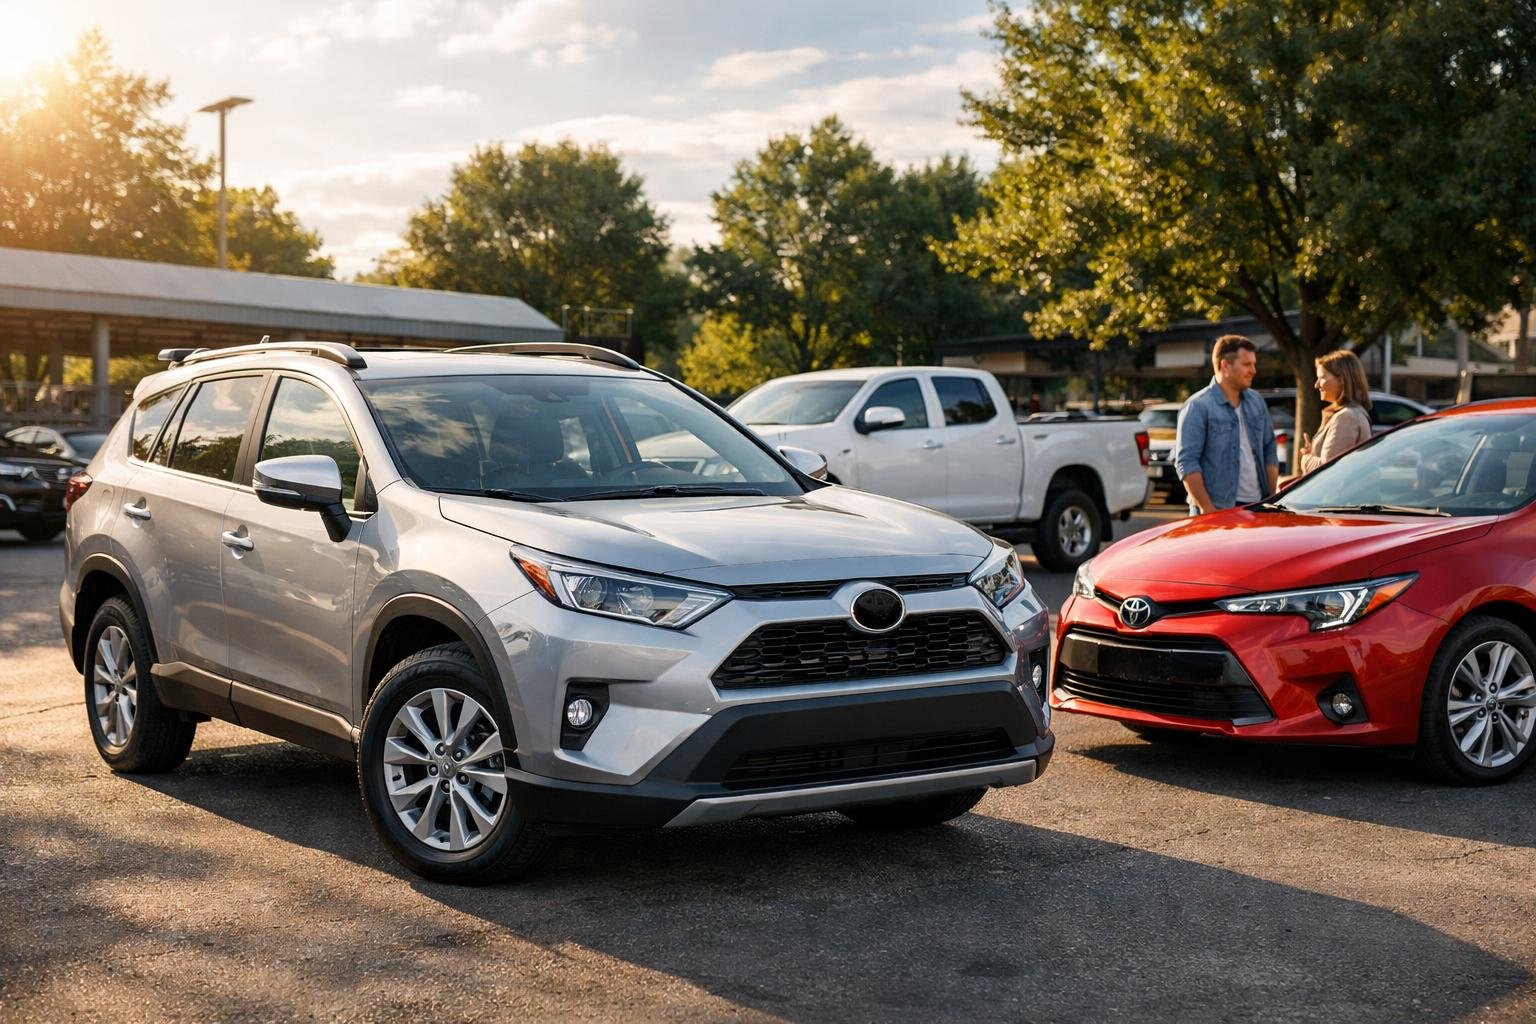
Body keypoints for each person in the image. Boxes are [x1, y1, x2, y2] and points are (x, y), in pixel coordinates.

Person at [1175, 334, 1279, 515]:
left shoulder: (1256, 401)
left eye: (1254, 364)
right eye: (1247, 364)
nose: (1253, 370)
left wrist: (1271, 499)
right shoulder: (1198, 406)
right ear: (1225, 366)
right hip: (1217, 511)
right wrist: (1207, 509)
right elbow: (1187, 462)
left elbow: (1269, 447)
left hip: (1257, 508)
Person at [1297, 349, 1372, 473]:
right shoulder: (1352, 413)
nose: (1316, 385)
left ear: (1342, 380)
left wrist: (1305, 459)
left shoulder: (1346, 417)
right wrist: (1313, 452)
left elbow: (1327, 470)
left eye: (1321, 377)